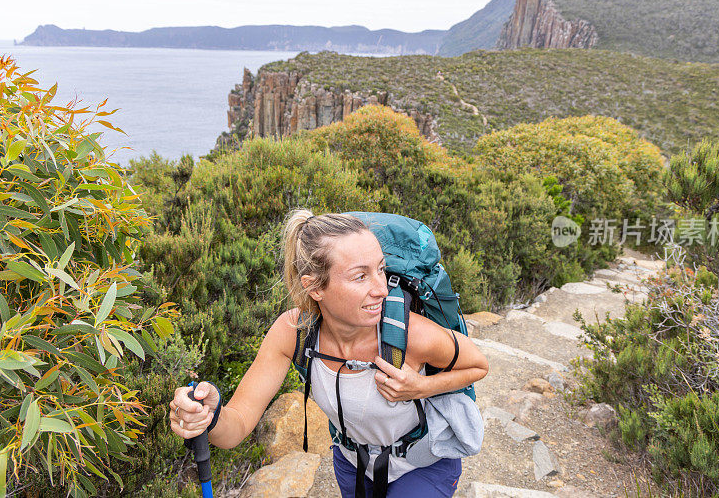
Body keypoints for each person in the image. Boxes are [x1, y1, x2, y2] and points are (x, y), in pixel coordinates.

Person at [169, 210, 489, 497]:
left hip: (424, 463)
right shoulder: (294, 334)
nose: (381, 288)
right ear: (315, 287)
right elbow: (234, 428)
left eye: (381, 270)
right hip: (352, 465)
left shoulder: (410, 332)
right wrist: (208, 417)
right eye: (360, 276)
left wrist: (421, 387)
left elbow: (478, 365)